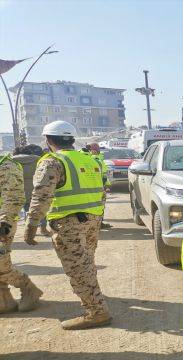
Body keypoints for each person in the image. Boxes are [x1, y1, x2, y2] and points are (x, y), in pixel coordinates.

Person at [23, 120, 111, 330]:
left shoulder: (52, 161)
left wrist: (31, 225)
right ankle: (93, 297)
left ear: (48, 140)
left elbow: (41, 196)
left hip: (69, 223)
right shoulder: (90, 160)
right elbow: (102, 190)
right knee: (86, 263)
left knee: (78, 268)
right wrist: (97, 217)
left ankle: (96, 312)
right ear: (71, 139)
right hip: (92, 219)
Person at [0, 152, 43, 314]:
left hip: (3, 222)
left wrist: (4, 224)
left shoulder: (6, 165)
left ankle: (28, 288)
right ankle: (4, 299)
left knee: (1, 262)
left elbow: (14, 198)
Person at [12, 144, 50, 236]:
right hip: (35, 190)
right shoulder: (38, 160)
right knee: (40, 210)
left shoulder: (10, 161)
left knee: (24, 211)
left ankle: (27, 229)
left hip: (17, 190)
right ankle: (43, 229)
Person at [86, 143, 112, 229]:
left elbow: (104, 175)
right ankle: (98, 223)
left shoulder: (93, 159)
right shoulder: (98, 159)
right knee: (99, 206)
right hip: (98, 187)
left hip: (92, 187)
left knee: (94, 206)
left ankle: (96, 223)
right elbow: (104, 175)